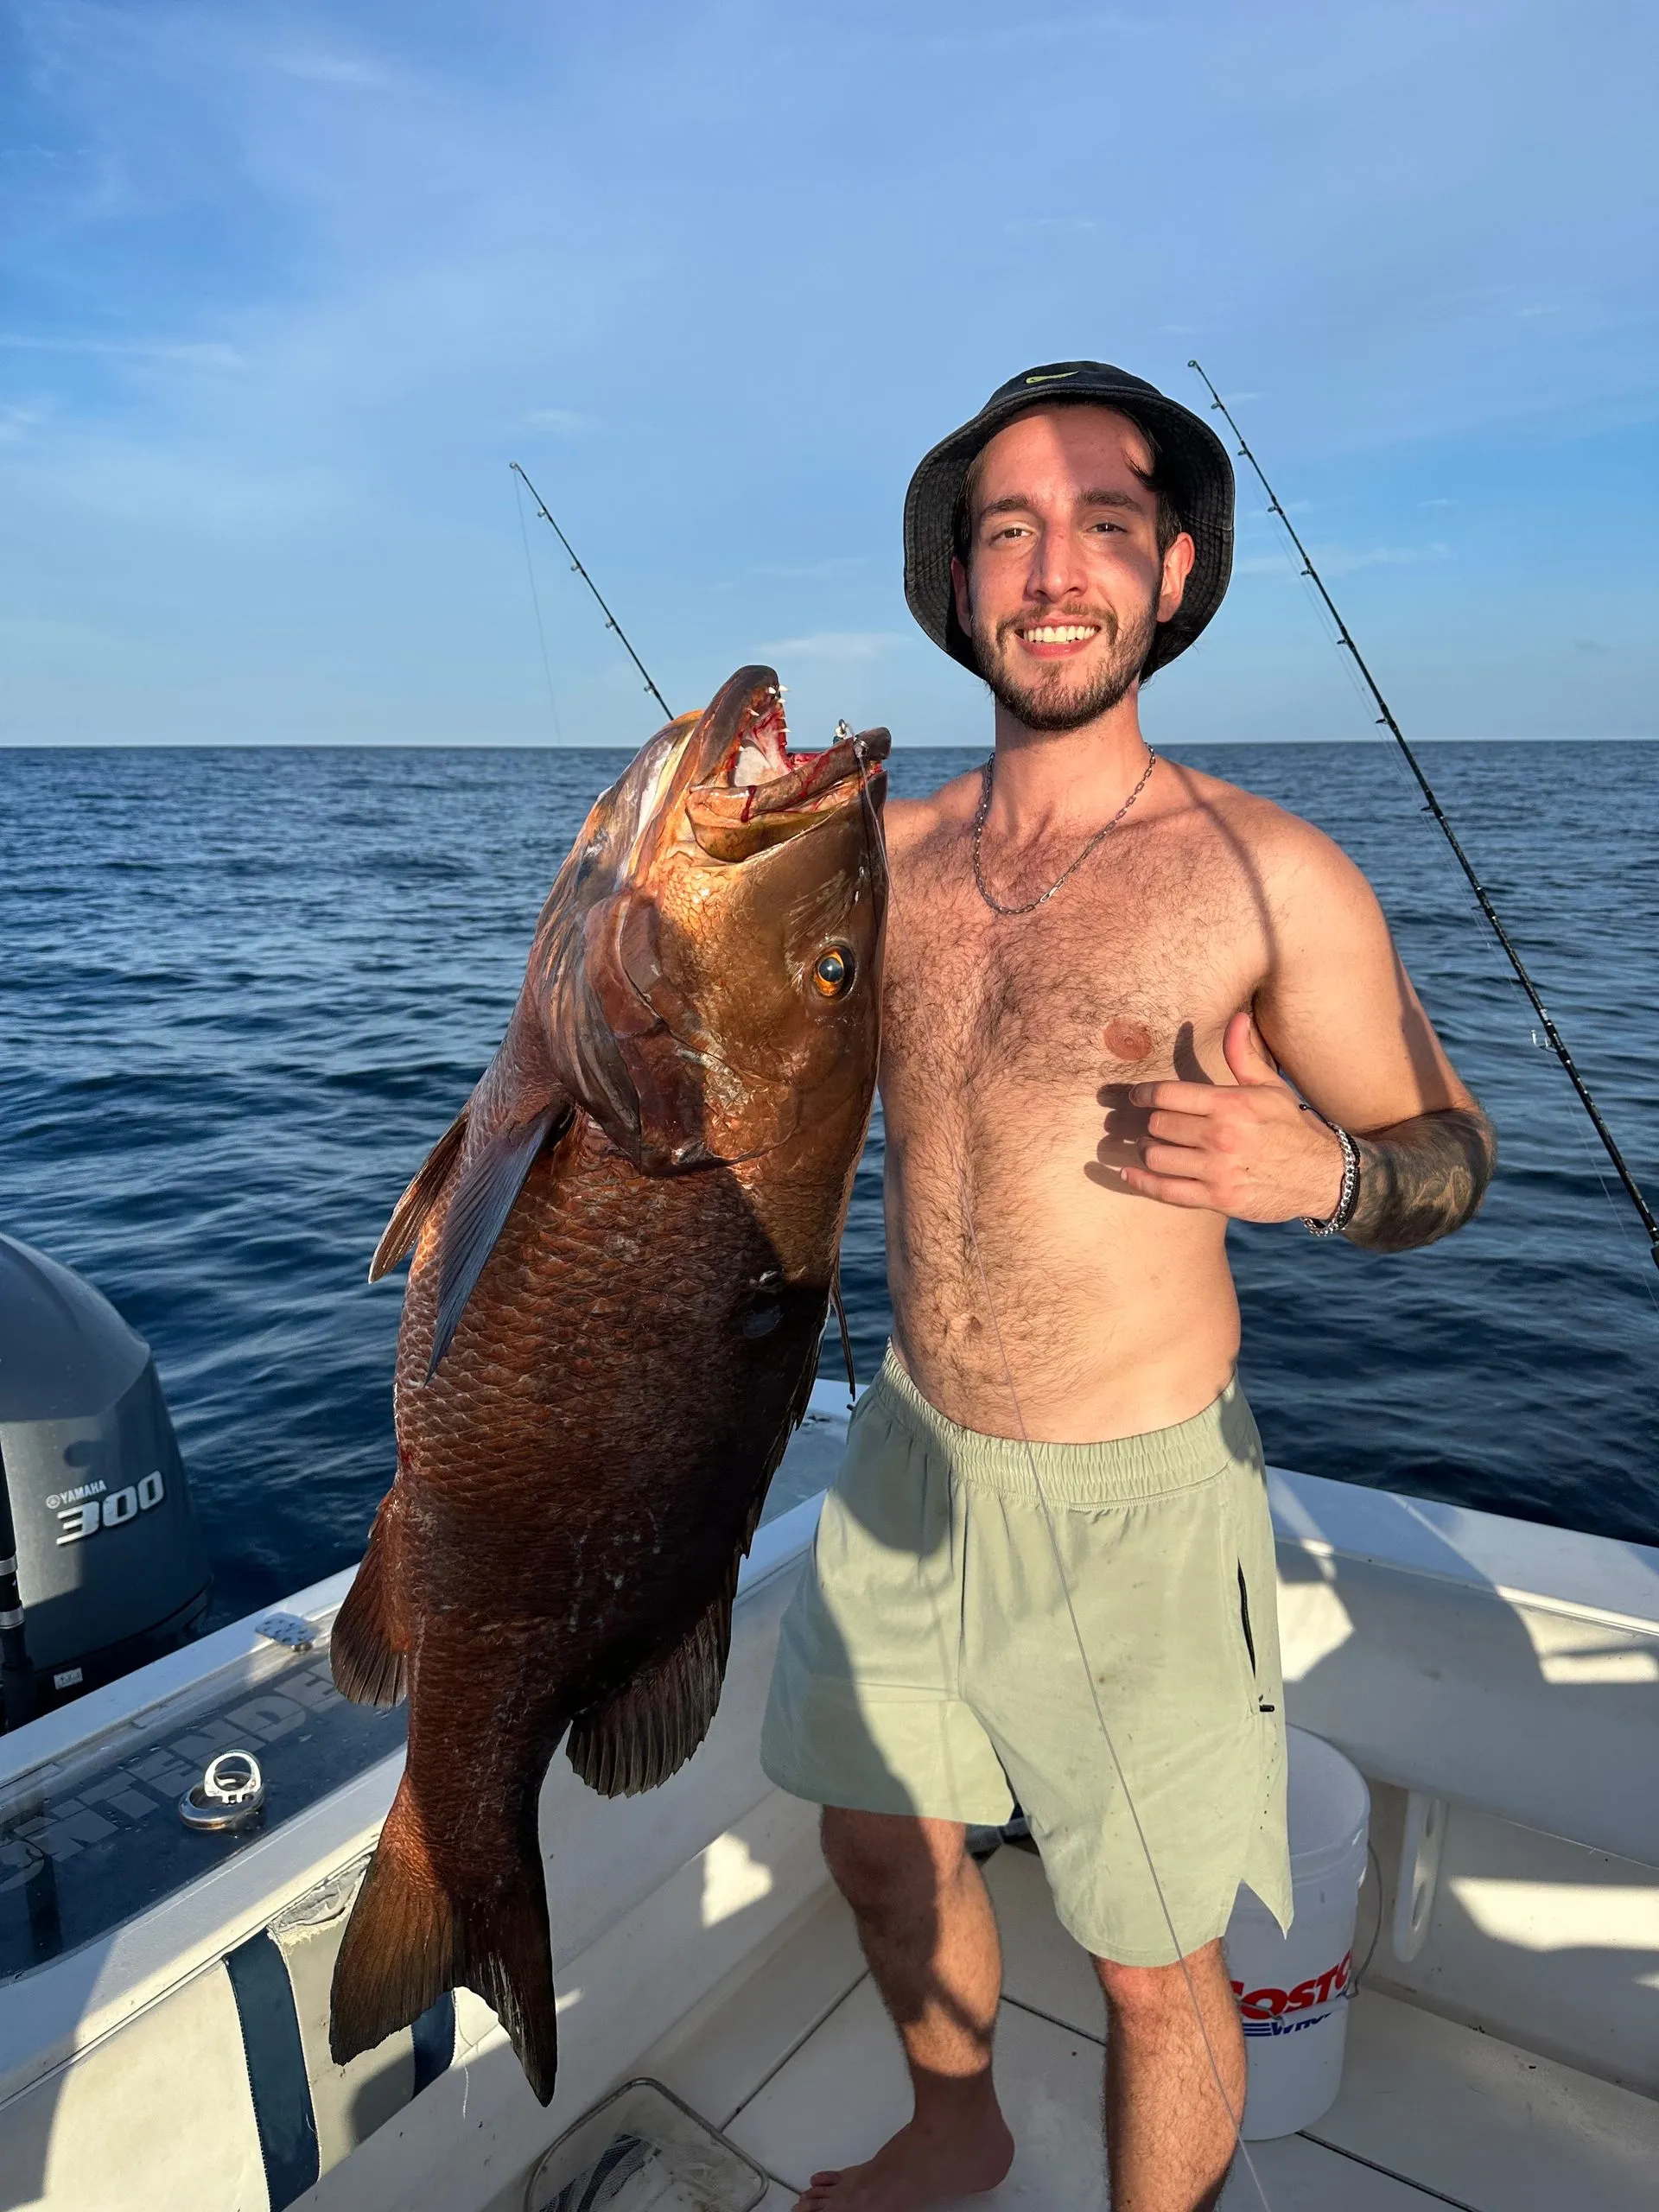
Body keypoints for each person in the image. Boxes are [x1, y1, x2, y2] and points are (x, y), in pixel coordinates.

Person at [760, 361, 1495, 2212]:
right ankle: (958, 2122)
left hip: (1134, 1501)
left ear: (1174, 574)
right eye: (1008, 529)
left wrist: (1319, 1173)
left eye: (1105, 524)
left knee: (1158, 1958)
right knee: (874, 1840)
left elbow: (1452, 1150)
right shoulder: (876, 862)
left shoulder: (1270, 871)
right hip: (910, 1452)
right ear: (958, 584)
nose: (1054, 567)